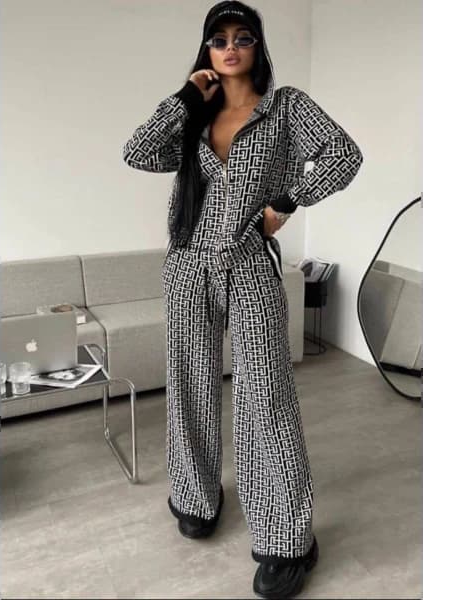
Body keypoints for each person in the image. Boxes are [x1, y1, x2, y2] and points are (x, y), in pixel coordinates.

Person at [122, 1, 364, 597]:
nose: (230, 48)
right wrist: (186, 97)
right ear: (207, 50)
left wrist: (286, 200)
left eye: (243, 37)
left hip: (251, 265)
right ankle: (196, 496)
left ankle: (288, 538)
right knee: (190, 383)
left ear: (258, 47)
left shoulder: (287, 108)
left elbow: (344, 155)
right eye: (219, 39)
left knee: (265, 394)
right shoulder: (194, 117)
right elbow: (137, 152)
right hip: (187, 264)